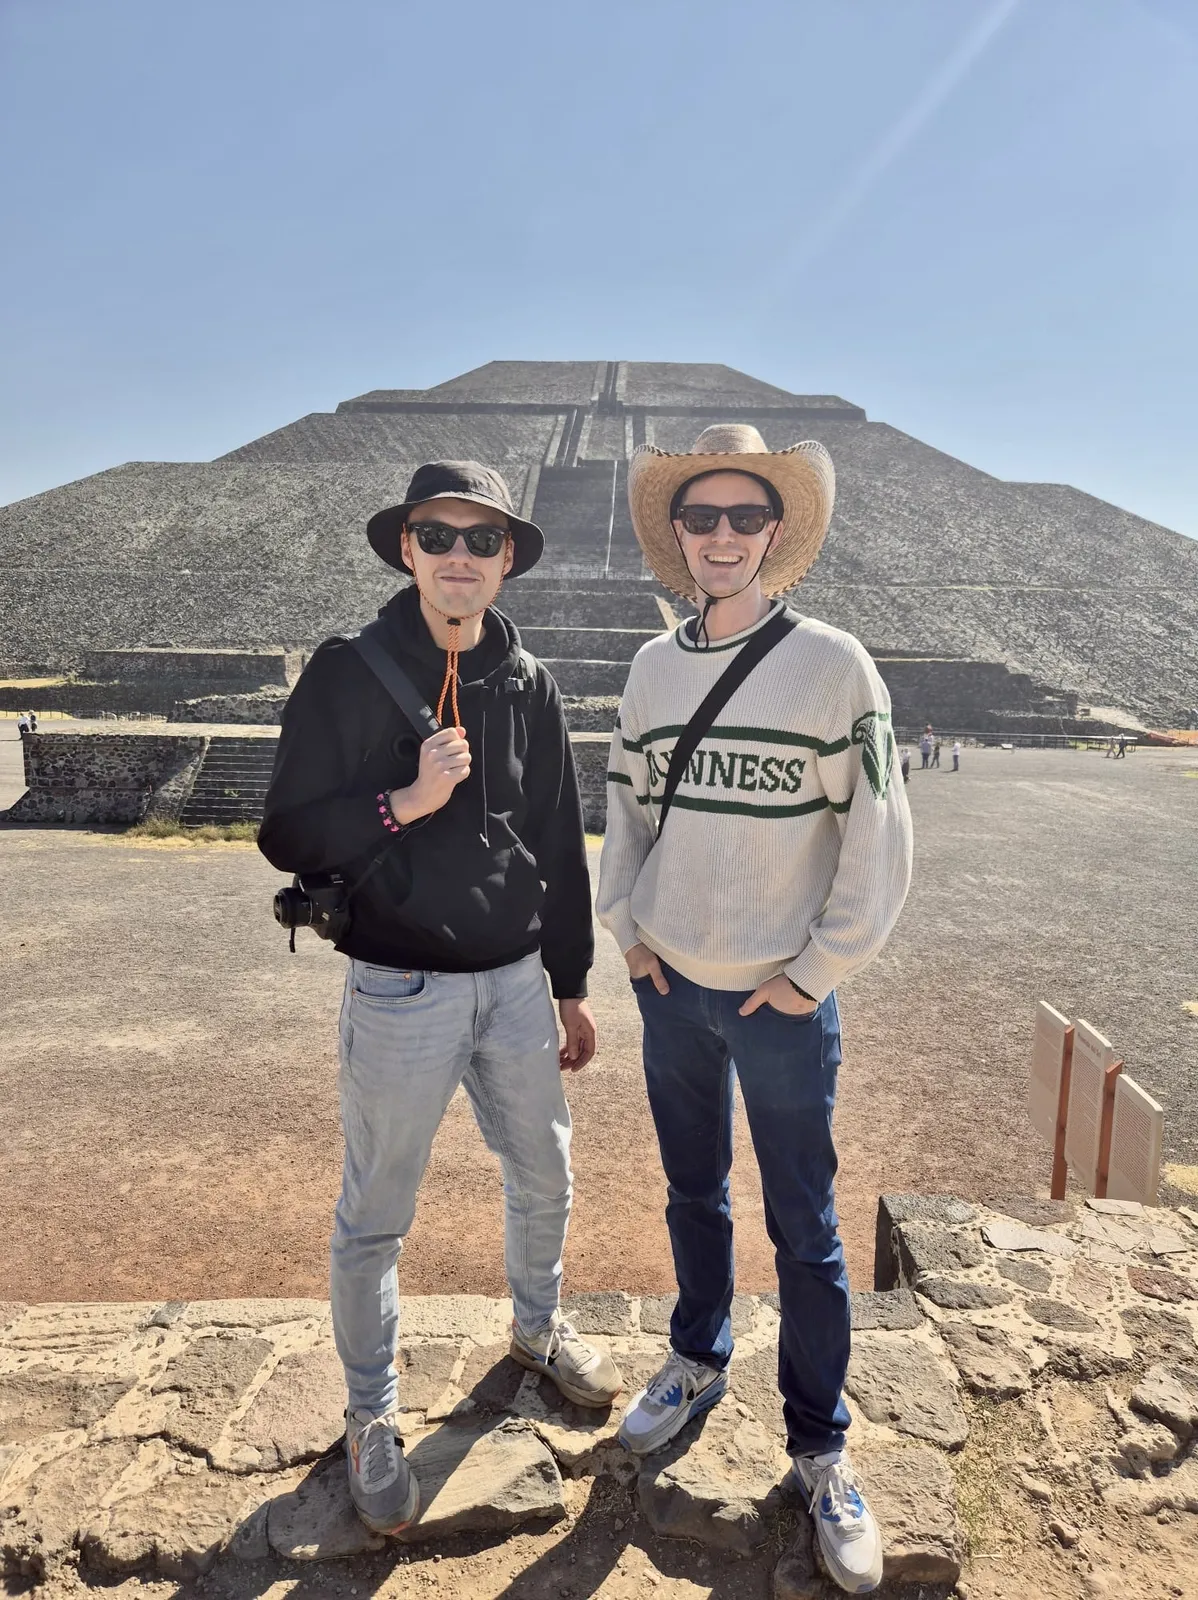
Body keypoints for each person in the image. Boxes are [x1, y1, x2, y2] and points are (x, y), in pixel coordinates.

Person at [259, 460, 622, 1537]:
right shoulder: (344, 673)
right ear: (406, 548)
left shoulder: (533, 683)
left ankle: (539, 1328)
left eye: (480, 539)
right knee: (375, 1215)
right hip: (401, 984)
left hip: (514, 983)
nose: (459, 555)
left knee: (546, 1175)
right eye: (438, 535)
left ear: (507, 557)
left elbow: (560, 839)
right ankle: (373, 1415)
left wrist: (570, 982)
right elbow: (285, 829)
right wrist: (401, 801)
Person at [598, 425, 912, 1595]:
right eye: (701, 519)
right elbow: (624, 812)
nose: (722, 535)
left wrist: (814, 974)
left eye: (744, 517)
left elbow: (877, 842)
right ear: (675, 539)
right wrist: (626, 932)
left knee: (806, 1227)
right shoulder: (649, 667)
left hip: (780, 998)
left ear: (778, 534)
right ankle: (696, 1354)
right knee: (690, 1187)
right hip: (674, 986)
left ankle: (821, 1443)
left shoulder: (835, 665)